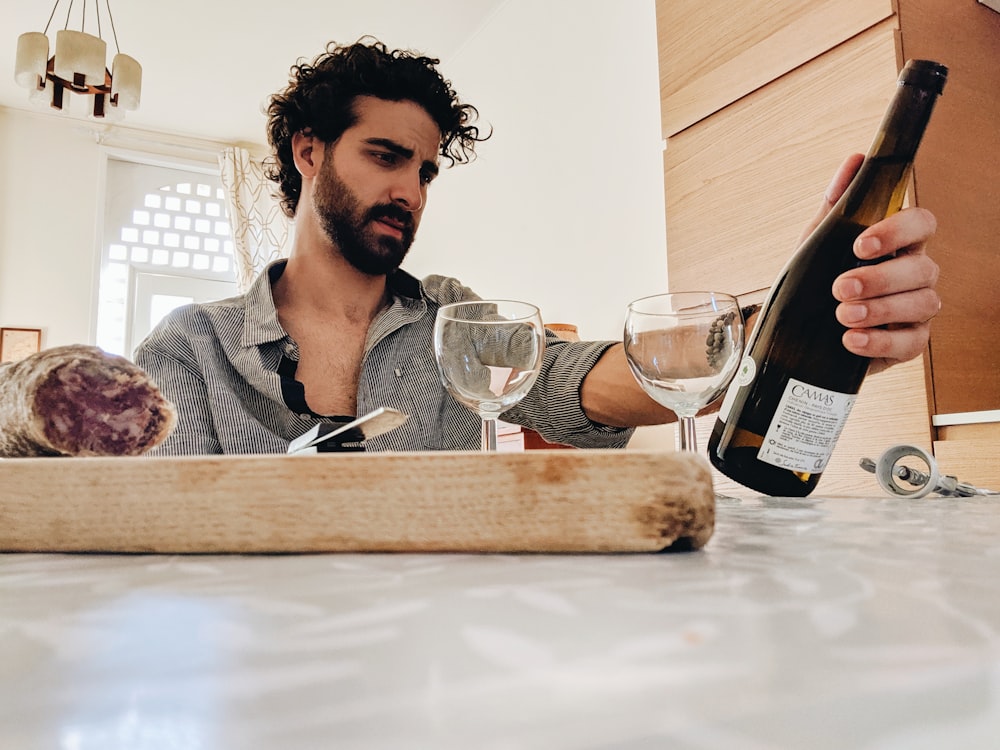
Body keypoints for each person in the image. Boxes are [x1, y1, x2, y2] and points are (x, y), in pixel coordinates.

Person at [134, 38, 942, 455]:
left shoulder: (454, 316)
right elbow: (160, 542)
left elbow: (583, 380)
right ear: (309, 153)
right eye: (385, 157)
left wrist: (788, 312)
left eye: (425, 171)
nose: (411, 193)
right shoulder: (189, 346)